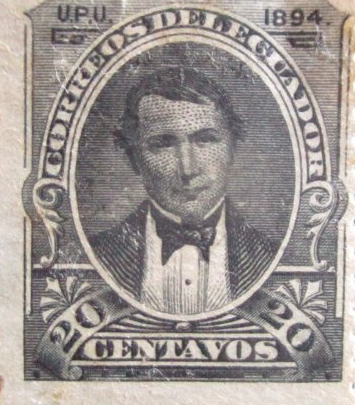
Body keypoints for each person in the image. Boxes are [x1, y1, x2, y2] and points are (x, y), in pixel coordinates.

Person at [90, 67, 276, 315]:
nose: (187, 169)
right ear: (134, 159)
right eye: (163, 144)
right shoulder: (95, 256)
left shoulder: (273, 259)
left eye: (205, 139)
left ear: (232, 149)